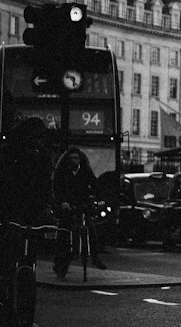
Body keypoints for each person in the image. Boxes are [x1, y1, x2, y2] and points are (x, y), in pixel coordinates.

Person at [0, 118, 53, 310]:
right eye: (33, 138)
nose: (36, 142)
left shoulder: (43, 156)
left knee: (29, 256)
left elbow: (46, 186)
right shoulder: (8, 152)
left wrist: (46, 209)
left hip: (31, 211)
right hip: (8, 209)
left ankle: (25, 308)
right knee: (7, 252)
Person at [52, 145, 106, 275]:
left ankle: (95, 257)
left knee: (91, 229)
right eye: (71, 158)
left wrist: (99, 198)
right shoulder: (62, 171)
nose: (74, 161)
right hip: (67, 205)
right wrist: (63, 202)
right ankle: (59, 262)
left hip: (82, 204)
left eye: (76, 158)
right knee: (63, 232)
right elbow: (57, 188)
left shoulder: (85, 170)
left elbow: (95, 184)